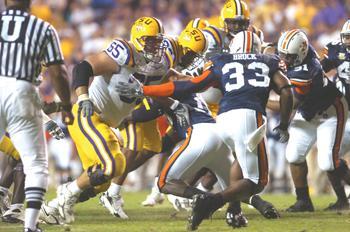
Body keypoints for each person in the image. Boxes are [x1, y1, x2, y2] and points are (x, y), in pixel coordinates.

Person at [115, 30, 293, 230]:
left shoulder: (220, 61)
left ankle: (227, 209)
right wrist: (284, 124)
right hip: (244, 118)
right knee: (255, 180)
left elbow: (189, 86)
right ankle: (216, 202)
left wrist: (145, 90)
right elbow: (286, 90)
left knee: (173, 181)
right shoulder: (268, 61)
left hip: (222, 122)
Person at [0, 0, 73, 231]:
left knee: (19, 157)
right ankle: (30, 226)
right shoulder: (43, 28)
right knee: (36, 165)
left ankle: (6, 197)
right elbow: (59, 72)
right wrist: (67, 105)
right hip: (23, 90)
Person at [277, 29, 350, 212]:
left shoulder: (306, 71)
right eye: (283, 55)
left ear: (301, 53)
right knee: (293, 155)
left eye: (289, 57)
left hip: (330, 111)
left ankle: (342, 200)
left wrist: (259, 102)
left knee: (328, 162)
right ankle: (303, 201)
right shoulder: (303, 52)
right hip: (308, 110)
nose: (285, 60)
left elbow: (289, 103)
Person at [319, 19, 350, 210]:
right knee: (329, 157)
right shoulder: (335, 51)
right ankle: (342, 199)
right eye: (347, 37)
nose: (348, 42)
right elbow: (318, 70)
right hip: (343, 113)